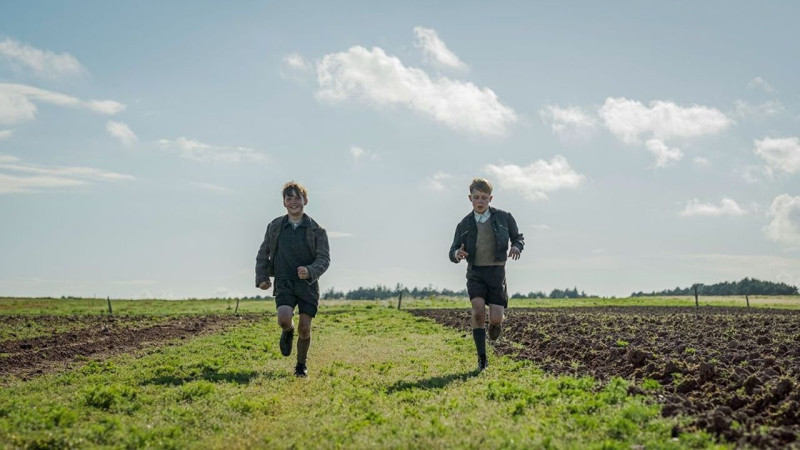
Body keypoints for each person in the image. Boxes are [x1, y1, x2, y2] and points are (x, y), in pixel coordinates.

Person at [256, 181, 330, 378]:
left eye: (298, 197)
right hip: (284, 282)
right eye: (289, 198)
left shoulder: (317, 230)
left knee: (305, 329)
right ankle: (287, 331)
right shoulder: (274, 227)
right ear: (284, 203)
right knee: (283, 319)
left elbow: (324, 259)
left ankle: (300, 365)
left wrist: (310, 270)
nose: (294, 201)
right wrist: (262, 277)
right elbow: (263, 253)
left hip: (308, 286)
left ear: (305, 200)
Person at [449, 177, 524, 372]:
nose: (480, 201)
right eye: (476, 197)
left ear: (490, 198)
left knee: (497, 318)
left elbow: (518, 237)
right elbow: (453, 250)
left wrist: (516, 246)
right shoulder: (463, 224)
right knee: (478, 311)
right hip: (475, 272)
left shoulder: (504, 218)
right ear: (470, 198)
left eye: (484, 197)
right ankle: (482, 358)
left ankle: (494, 327)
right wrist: (457, 254)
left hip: (496, 272)